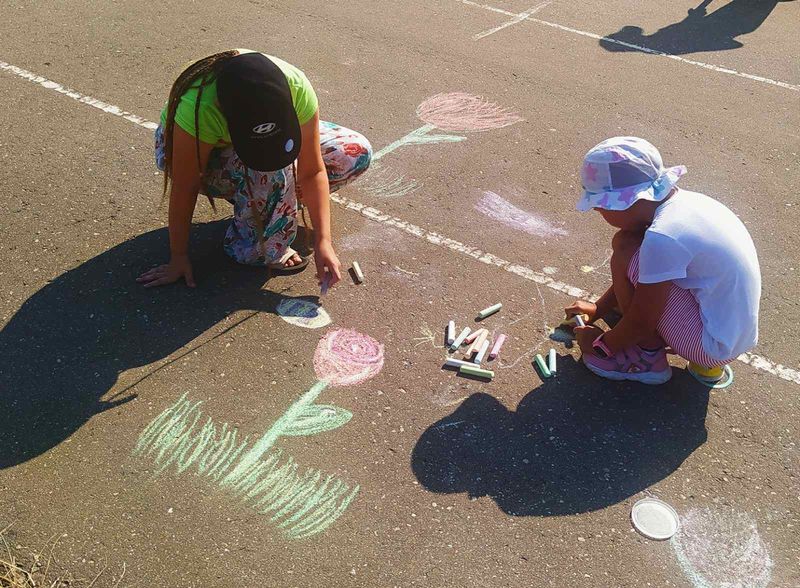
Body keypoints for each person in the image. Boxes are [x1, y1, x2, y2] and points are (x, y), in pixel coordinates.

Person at [138, 50, 372, 288]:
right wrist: (178, 257)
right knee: (274, 171)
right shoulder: (200, 107)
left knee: (353, 152)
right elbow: (185, 184)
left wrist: (324, 240)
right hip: (195, 148)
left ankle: (269, 203)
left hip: (247, 139)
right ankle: (252, 246)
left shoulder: (296, 87)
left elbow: (313, 171)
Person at [566, 137, 760, 386]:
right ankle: (662, 337)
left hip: (711, 347)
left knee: (625, 247)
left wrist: (601, 346)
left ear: (625, 202)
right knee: (635, 251)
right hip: (731, 333)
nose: (598, 212)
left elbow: (642, 321)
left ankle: (646, 357)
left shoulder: (662, 237)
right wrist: (599, 308)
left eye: (600, 207)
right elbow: (650, 276)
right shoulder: (687, 204)